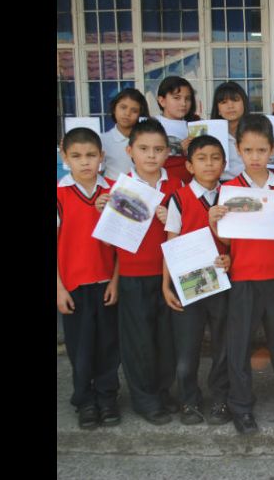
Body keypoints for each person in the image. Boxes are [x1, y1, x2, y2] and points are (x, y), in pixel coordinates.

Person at [207, 114, 274, 434]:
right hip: (243, 277)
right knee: (239, 343)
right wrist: (215, 220)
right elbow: (228, 240)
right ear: (239, 151)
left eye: (262, 150)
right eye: (249, 150)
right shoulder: (230, 188)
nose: (256, 157)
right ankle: (241, 404)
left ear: (272, 149)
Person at [94, 119, 184, 425]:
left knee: (165, 338)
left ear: (167, 153)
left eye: (158, 150)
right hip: (133, 275)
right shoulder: (119, 187)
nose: (151, 156)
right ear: (130, 151)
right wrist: (102, 213)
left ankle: (162, 390)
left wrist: (171, 218)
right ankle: (145, 399)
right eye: (144, 149)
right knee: (139, 341)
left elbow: (188, 230)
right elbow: (108, 241)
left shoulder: (176, 186)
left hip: (167, 275)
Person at [161, 135, 233, 427]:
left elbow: (237, 242)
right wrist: (165, 285)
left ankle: (220, 398)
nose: (209, 164)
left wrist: (231, 259)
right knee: (187, 348)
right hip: (187, 284)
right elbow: (170, 242)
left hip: (223, 283)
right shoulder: (178, 198)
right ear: (189, 165)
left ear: (224, 164)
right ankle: (188, 399)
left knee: (223, 344)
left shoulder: (231, 195)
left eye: (215, 158)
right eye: (202, 158)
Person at [57, 128, 121, 430]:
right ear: (64, 157)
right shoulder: (59, 195)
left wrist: (116, 280)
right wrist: (59, 289)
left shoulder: (114, 191)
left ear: (102, 157)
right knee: (80, 347)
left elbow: (126, 243)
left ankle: (108, 397)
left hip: (106, 282)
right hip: (73, 286)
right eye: (77, 156)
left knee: (108, 345)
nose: (85, 162)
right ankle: (84, 400)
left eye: (91, 155)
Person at [154, 76, 200, 184]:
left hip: (193, 184)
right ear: (162, 101)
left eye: (187, 99)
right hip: (163, 184)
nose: (183, 103)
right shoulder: (151, 125)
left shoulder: (197, 124)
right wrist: (180, 149)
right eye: (177, 98)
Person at [101, 88, 150, 180]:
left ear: (140, 114)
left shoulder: (147, 139)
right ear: (114, 108)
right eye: (123, 107)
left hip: (144, 190)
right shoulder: (103, 140)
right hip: (113, 191)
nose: (127, 113)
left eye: (134, 110)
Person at [210, 81, 250, 182]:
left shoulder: (256, 131)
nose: (230, 106)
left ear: (244, 103)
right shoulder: (209, 134)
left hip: (252, 184)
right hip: (219, 185)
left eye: (235, 100)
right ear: (218, 109)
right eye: (224, 102)